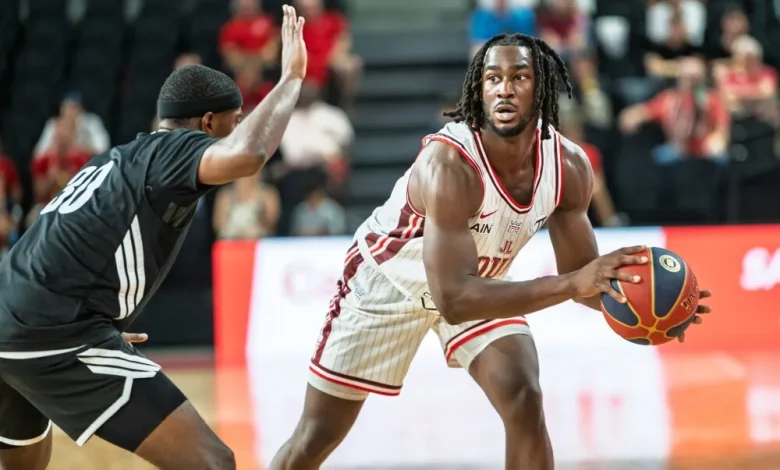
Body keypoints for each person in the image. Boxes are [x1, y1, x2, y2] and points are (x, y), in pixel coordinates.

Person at [269, 33, 712, 470]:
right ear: (479, 91)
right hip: (390, 281)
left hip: (476, 280)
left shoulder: (569, 167)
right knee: (316, 436)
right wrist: (573, 283)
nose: (504, 88)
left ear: (542, 89)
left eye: (519, 77)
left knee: (524, 396)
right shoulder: (449, 165)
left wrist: (654, 302)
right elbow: (454, 300)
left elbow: (582, 280)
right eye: (493, 78)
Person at [0, 5, 307, 470]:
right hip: (57, 329)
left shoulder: (115, 159)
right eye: (236, 119)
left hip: (10, 314)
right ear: (207, 124)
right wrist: (290, 78)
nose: (239, 128)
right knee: (213, 462)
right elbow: (250, 153)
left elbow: (55, 241)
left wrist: (98, 313)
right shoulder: (174, 151)